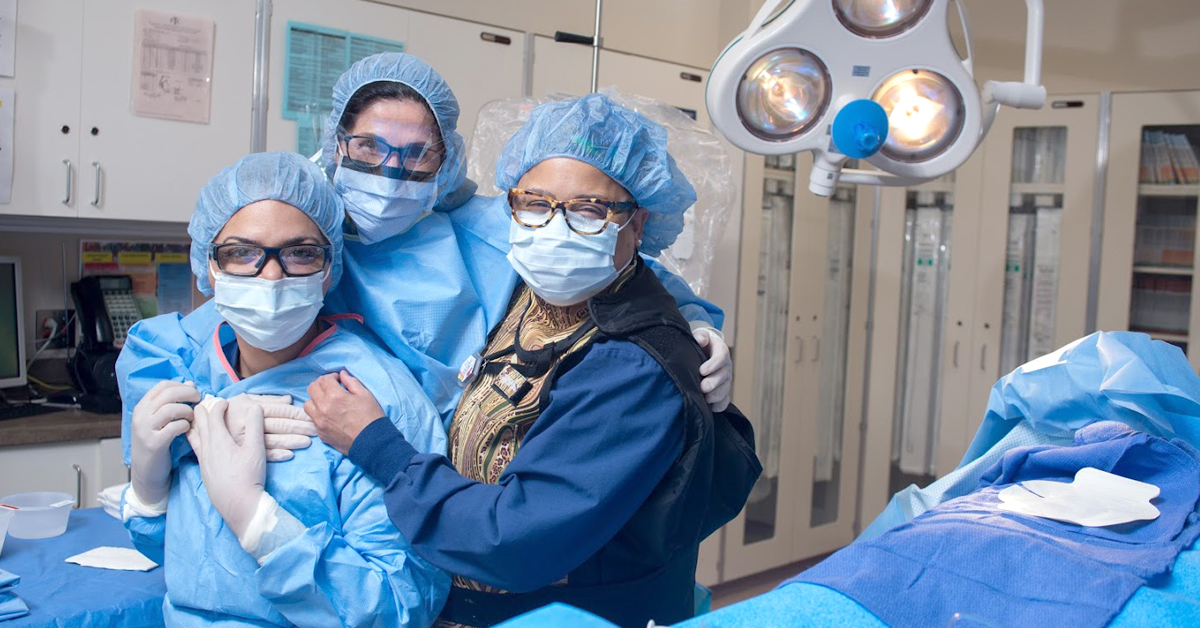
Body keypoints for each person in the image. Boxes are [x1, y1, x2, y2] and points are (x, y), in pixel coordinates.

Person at [115, 52, 732, 468]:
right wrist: (164, 441)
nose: (390, 172)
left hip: (470, 460)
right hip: (333, 457)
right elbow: (190, 339)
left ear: (447, 161)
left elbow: (618, 267)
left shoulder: (482, 231)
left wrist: (693, 325)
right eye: (369, 147)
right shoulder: (300, 240)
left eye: (416, 155)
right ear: (335, 145)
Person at [306, 94, 760, 628]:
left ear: (636, 225)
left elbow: (513, 541)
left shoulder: (633, 368)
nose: (555, 230)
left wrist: (377, 446)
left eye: (590, 210)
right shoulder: (525, 289)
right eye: (536, 204)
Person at [118, 151, 449, 626]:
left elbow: (402, 605)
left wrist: (258, 521)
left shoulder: (376, 398)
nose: (271, 275)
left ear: (329, 269)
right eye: (241, 253)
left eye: (300, 253)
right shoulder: (191, 373)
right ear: (210, 267)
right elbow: (186, 556)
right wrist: (148, 490)